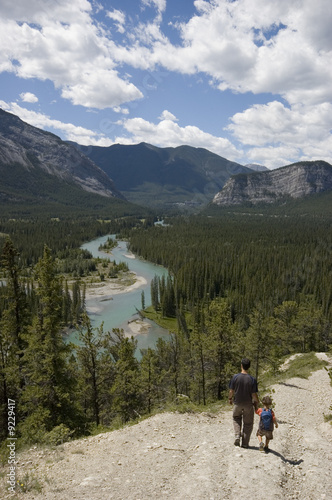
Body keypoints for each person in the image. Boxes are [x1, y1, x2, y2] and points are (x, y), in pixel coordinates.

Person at [229, 358, 259, 448]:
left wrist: (230, 399)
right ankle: (245, 443)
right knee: (248, 423)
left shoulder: (235, 377)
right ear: (249, 367)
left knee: (236, 418)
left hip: (237, 403)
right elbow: (254, 394)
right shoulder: (252, 379)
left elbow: (231, 391)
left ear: (241, 365)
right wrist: (256, 403)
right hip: (248, 404)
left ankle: (237, 435)